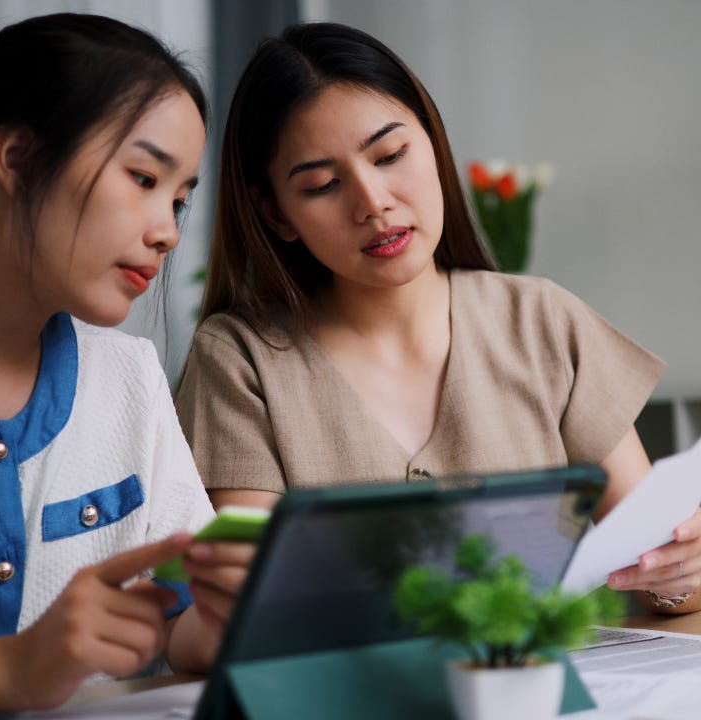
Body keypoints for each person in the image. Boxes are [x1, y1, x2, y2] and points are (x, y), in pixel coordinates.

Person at [174, 22, 701, 613]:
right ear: (276, 215)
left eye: (391, 154)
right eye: (323, 185)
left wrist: (679, 570)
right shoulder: (240, 359)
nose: (373, 202)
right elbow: (249, 609)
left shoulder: (542, 322)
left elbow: (661, 566)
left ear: (433, 141)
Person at [0, 14, 251, 713]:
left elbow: (179, 623)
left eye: (181, 199)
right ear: (17, 158)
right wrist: (8, 671)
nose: (166, 231)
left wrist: (226, 620)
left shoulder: (129, 375)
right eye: (143, 177)